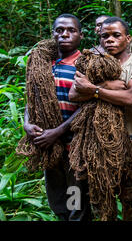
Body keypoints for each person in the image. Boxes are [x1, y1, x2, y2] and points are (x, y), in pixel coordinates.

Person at [69, 16, 132, 220]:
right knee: (101, 200)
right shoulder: (91, 62)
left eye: (116, 35)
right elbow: (74, 94)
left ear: (128, 38)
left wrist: (93, 89)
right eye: (105, 36)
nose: (110, 40)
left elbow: (130, 98)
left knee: (130, 200)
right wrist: (108, 87)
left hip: (128, 143)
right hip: (94, 144)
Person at [23, 13, 91, 221]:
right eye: (59, 30)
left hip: (74, 147)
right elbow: (31, 98)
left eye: (71, 30)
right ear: (53, 34)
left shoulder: (86, 65)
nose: (64, 34)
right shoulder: (42, 64)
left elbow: (90, 107)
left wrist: (58, 132)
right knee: (57, 199)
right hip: (49, 146)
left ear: (80, 34)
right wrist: (26, 123)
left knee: (76, 202)